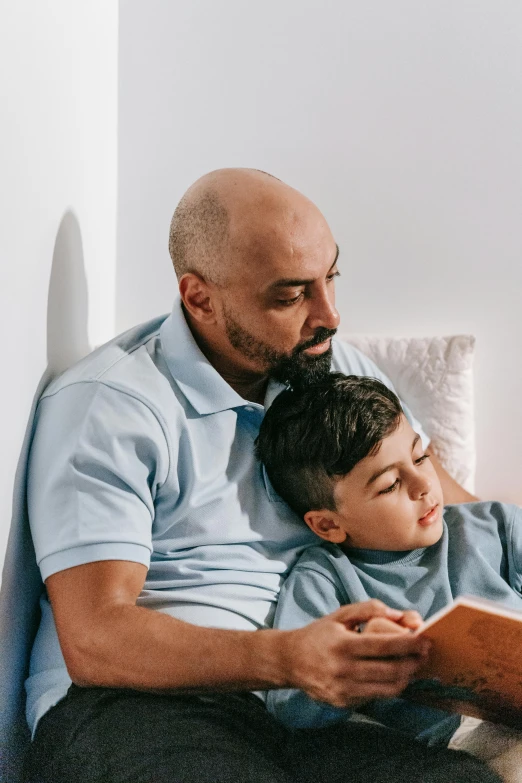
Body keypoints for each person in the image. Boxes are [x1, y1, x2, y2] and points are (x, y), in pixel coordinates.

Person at [25, 168, 494, 783]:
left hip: (308, 710)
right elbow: (95, 638)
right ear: (200, 298)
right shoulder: (109, 403)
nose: (329, 315)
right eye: (291, 295)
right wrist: (288, 658)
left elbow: (456, 515)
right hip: (141, 704)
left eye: (331, 277)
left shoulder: (330, 365)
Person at [256, 372, 522, 778]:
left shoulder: (497, 525)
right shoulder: (325, 579)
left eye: (419, 458)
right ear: (328, 525)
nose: (422, 484)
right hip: (457, 747)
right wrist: (356, 660)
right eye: (391, 484)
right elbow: (291, 705)